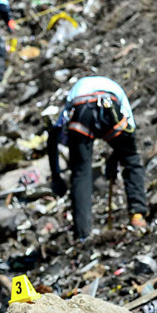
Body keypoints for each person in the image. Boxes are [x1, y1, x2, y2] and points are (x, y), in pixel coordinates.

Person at [47, 76, 148, 240]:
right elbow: (129, 135)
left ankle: (83, 233)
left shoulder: (75, 93)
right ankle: (137, 216)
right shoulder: (117, 90)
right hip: (110, 106)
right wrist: (118, 155)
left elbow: (54, 136)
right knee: (131, 159)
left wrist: (56, 176)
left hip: (81, 111)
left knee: (81, 172)